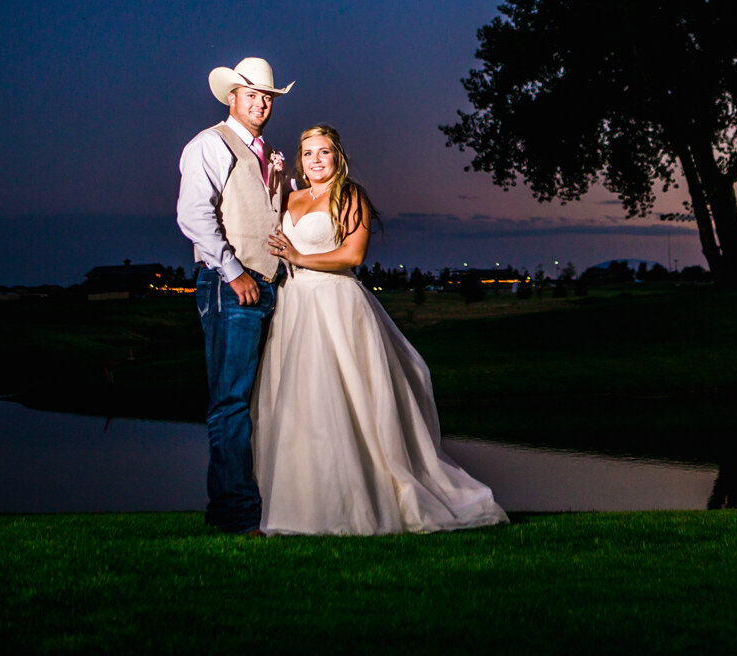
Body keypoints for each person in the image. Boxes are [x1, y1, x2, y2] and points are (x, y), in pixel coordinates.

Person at [253, 124, 507, 535]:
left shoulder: (350, 195)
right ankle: (302, 506)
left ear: (338, 156)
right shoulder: (291, 196)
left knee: (344, 400)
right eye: (309, 152)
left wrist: (300, 255)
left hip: (336, 304)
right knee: (300, 404)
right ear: (301, 158)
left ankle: (362, 501)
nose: (316, 159)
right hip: (294, 305)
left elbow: (352, 255)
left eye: (324, 152)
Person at [176, 57, 294, 535]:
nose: (261, 104)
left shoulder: (265, 153)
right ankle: (235, 518)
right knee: (229, 404)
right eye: (252, 95)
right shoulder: (209, 144)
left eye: (267, 97)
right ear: (232, 98)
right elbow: (193, 217)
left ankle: (245, 507)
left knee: (253, 401)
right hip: (231, 289)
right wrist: (233, 272)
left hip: (266, 287)